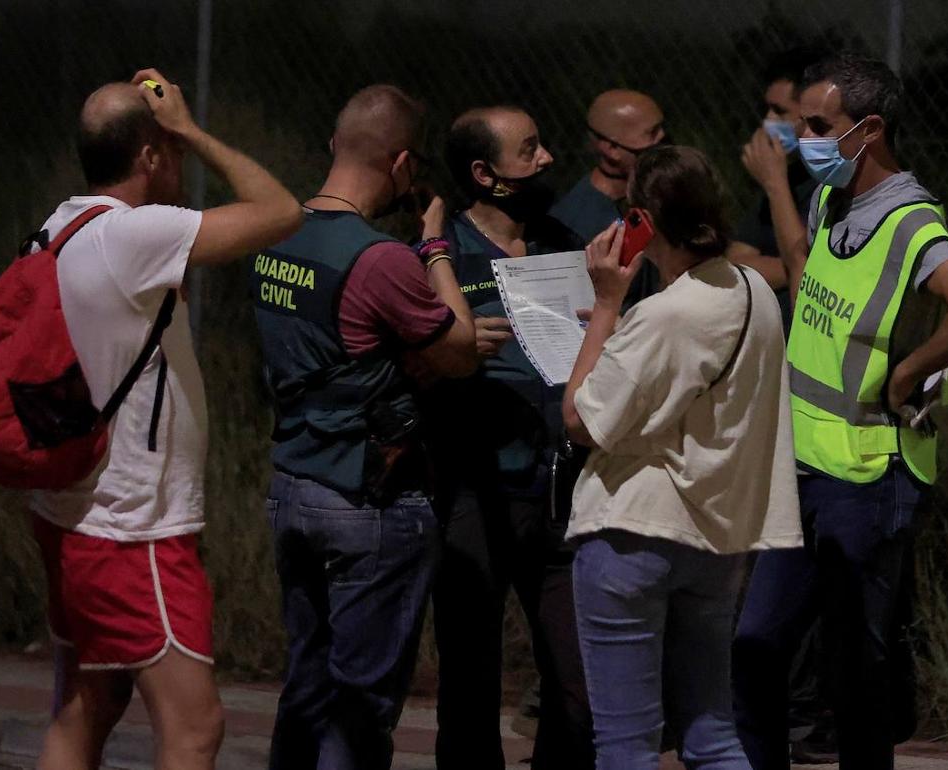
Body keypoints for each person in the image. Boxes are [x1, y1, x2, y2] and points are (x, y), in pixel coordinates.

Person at [732, 54, 948, 770]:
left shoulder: (913, 222)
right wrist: (775, 186)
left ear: (870, 129)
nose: (804, 139)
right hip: (803, 466)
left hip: (870, 475)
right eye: (800, 125)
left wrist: (912, 371)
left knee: (855, 671)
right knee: (757, 644)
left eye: (818, 126)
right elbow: (803, 273)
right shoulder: (833, 199)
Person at [31, 68, 303, 770]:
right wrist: (189, 127)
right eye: (169, 150)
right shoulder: (134, 236)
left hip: (69, 511)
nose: (178, 160)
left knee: (85, 708)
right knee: (194, 728)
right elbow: (280, 211)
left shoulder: (58, 227)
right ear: (150, 155)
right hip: (132, 525)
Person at [252, 84, 477, 770]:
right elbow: (461, 351)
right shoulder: (379, 259)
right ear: (404, 164)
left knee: (307, 687)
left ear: (333, 146)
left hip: (293, 482)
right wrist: (435, 244)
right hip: (367, 497)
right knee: (359, 710)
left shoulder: (276, 234)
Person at [561, 145, 802, 770]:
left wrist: (609, 306)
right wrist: (625, 325)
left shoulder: (665, 313)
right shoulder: (752, 290)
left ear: (641, 218)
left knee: (627, 745)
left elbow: (581, 420)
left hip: (632, 533)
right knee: (713, 734)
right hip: (716, 541)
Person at [422, 105, 593, 770]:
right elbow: (406, 367)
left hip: (565, 490)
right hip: (475, 494)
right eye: (529, 150)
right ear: (484, 173)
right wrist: (452, 351)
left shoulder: (561, 241)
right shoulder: (444, 255)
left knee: (577, 686)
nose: (547, 159)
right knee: (469, 687)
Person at [727, 48, 824, 333]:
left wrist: (774, 182)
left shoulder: (830, 182)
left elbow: (806, 271)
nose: (768, 120)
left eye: (780, 111)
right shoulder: (789, 174)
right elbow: (737, 260)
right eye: (767, 108)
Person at [550, 88, 666, 304]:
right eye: (652, 133)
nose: (663, 140)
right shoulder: (576, 224)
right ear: (611, 148)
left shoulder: (652, 195)